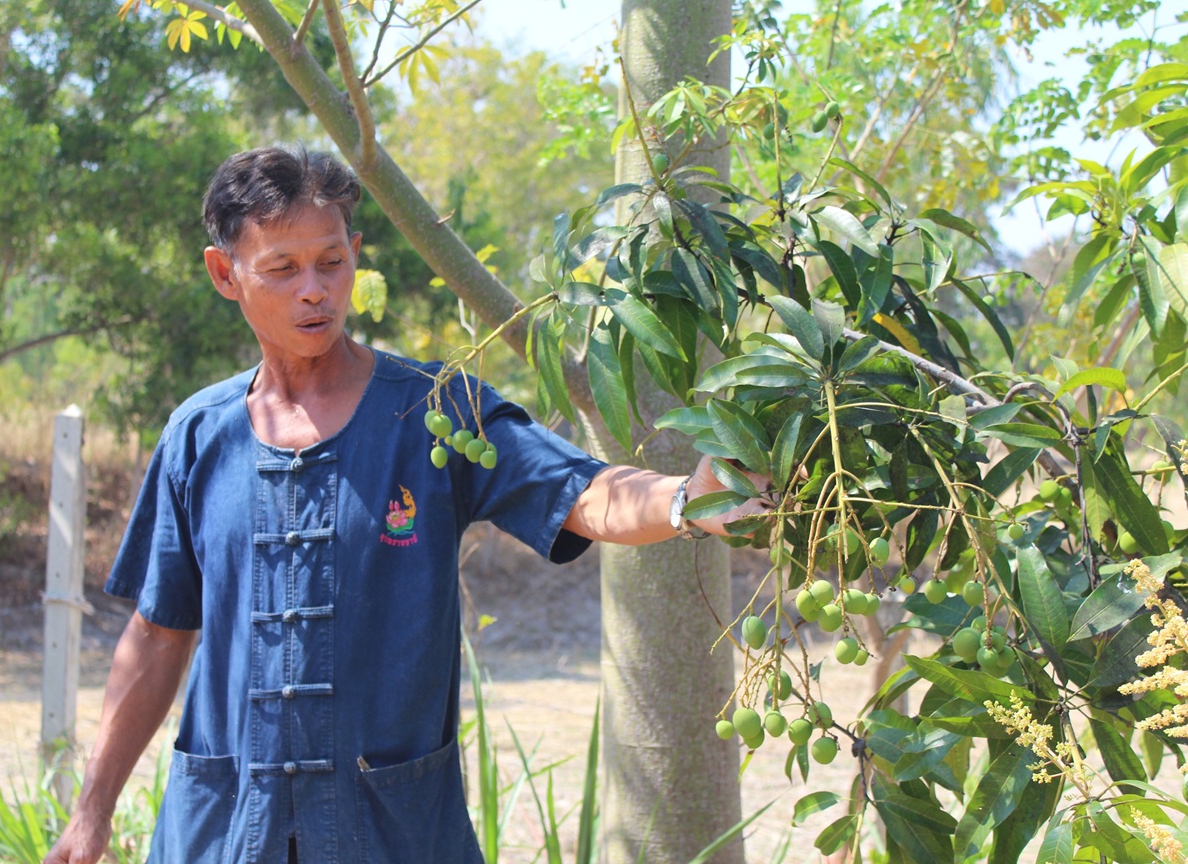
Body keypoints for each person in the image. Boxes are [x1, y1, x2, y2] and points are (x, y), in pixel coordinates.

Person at [44, 146, 769, 864]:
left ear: (356, 253)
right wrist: (92, 810)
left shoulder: (437, 411)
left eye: (331, 262)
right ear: (224, 274)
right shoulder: (198, 436)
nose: (315, 291)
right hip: (223, 832)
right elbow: (160, 632)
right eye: (282, 269)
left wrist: (683, 499)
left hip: (392, 834)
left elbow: (578, 491)